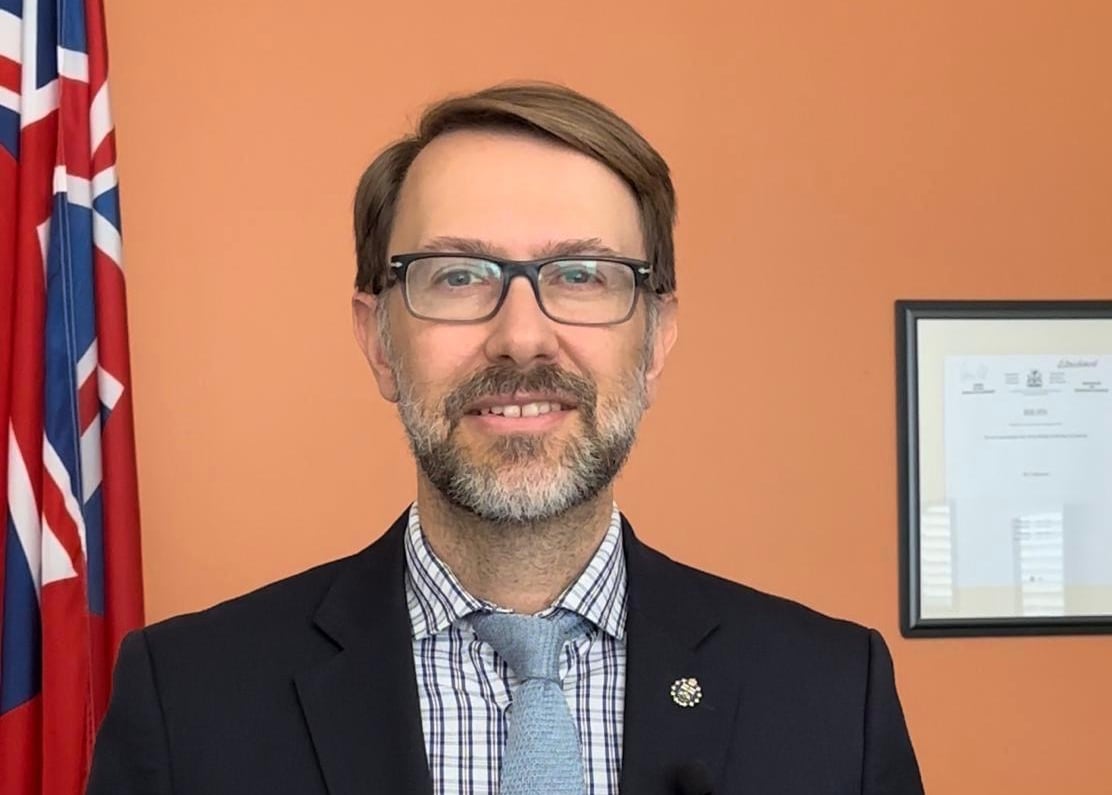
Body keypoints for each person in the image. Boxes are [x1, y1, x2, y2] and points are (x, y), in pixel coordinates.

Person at [87, 82, 924, 795]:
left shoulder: (829, 700)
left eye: (581, 275)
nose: (521, 336)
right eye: (458, 276)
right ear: (379, 337)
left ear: (658, 333)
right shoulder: (189, 705)